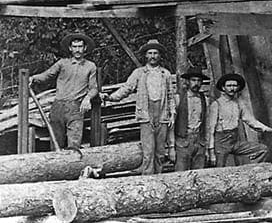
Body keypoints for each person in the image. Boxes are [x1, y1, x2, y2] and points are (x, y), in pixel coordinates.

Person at [103, 40, 176, 174]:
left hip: (162, 115)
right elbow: (127, 88)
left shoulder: (165, 74)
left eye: (155, 53)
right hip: (146, 115)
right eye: (150, 53)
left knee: (160, 152)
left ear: (160, 56)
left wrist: (172, 113)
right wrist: (111, 97)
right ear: (145, 56)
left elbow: (170, 95)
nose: (153, 56)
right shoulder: (139, 73)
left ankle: (159, 179)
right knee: (148, 152)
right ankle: (147, 181)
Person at [29, 31, 99, 151]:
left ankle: (73, 167)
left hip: (76, 108)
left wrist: (87, 98)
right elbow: (46, 75)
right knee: (56, 143)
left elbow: (94, 88)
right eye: (75, 47)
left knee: (74, 144)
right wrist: (33, 78)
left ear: (85, 48)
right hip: (58, 106)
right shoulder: (62, 63)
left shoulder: (90, 66)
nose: (77, 50)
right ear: (70, 48)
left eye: (80, 47)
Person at [206, 73, 272, 167]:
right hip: (220, 144)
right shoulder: (216, 104)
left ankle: (252, 173)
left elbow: (251, 121)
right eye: (229, 86)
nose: (232, 88)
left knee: (262, 149)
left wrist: (271, 129)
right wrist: (211, 152)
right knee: (218, 170)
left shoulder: (239, 103)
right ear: (223, 88)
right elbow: (210, 130)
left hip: (234, 141)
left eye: (235, 85)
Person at [174, 69, 210, 171]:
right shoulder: (178, 98)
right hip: (183, 141)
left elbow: (207, 123)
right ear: (188, 82)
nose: (196, 83)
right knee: (181, 174)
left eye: (199, 81)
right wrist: (171, 146)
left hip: (199, 141)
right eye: (193, 80)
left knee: (199, 174)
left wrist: (206, 146)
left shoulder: (204, 99)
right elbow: (171, 124)